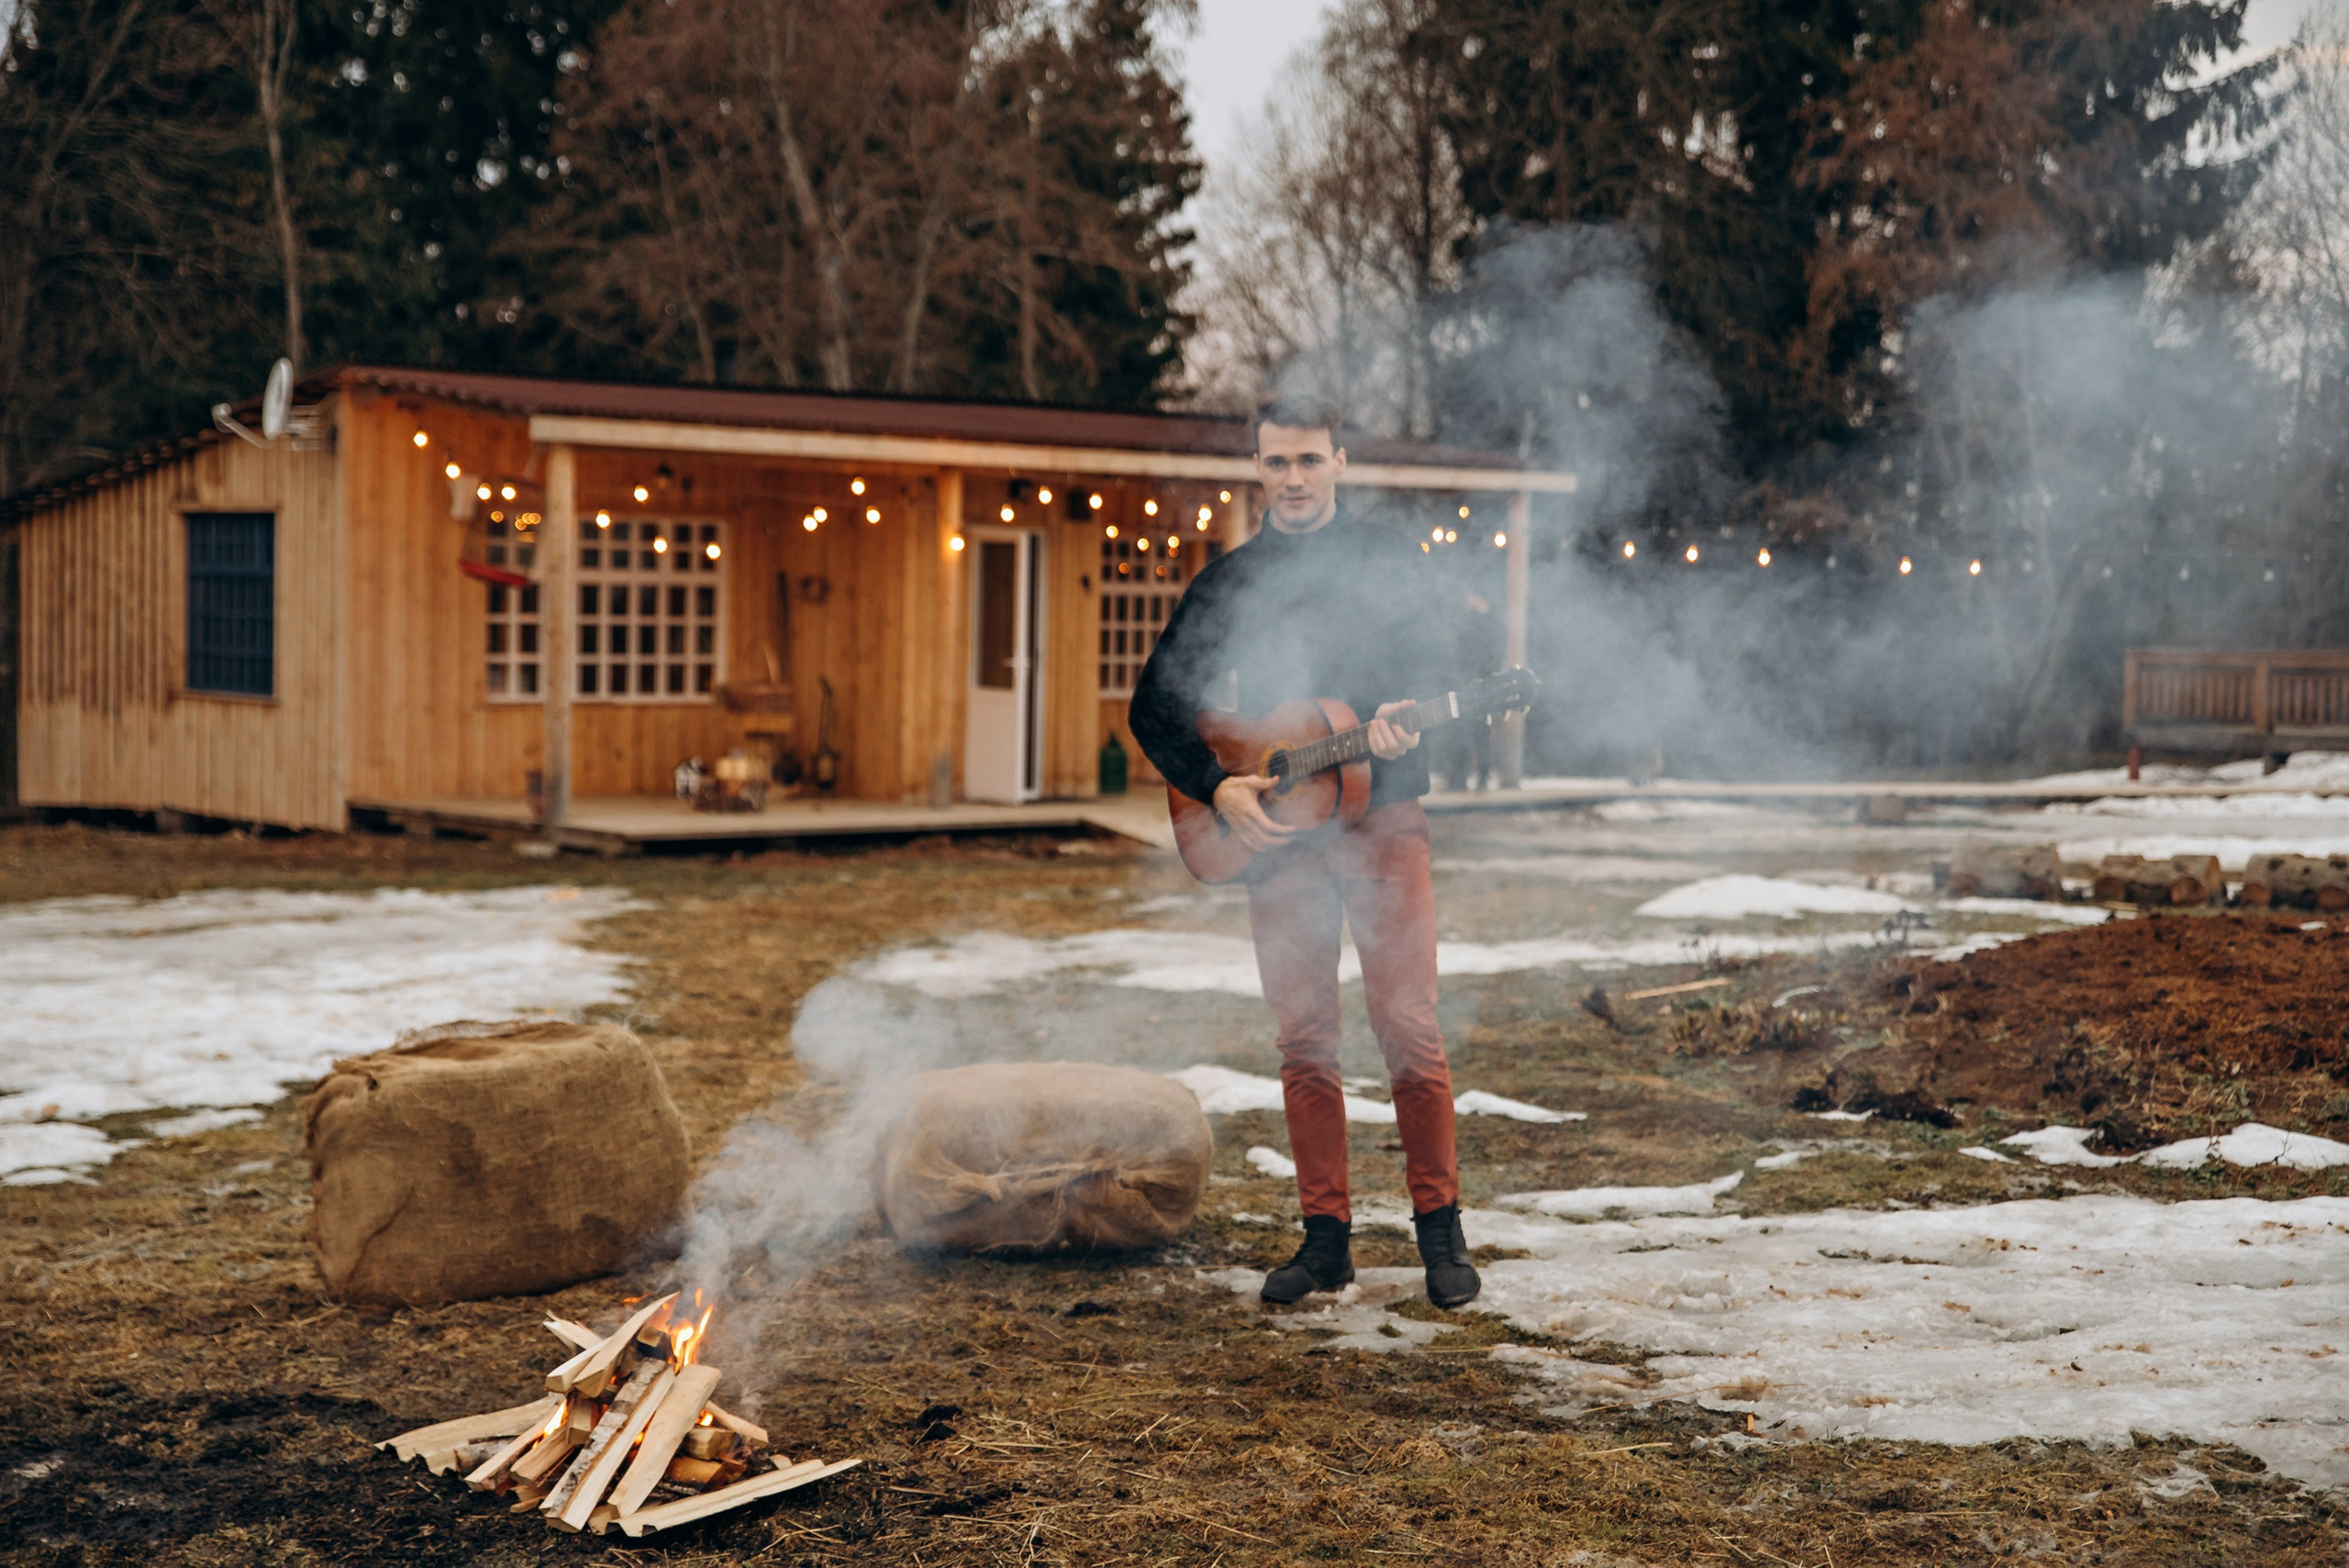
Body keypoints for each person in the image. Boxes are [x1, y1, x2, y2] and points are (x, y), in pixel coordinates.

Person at [1128, 396, 1479, 1310]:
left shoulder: (1390, 565)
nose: (1292, 478)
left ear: (1340, 461)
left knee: (1407, 1027)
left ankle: (1439, 1230)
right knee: (1304, 1042)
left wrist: (1405, 723)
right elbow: (1153, 705)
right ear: (1255, 467)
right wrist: (1218, 784)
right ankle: (1325, 1240)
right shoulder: (1227, 582)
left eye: (1308, 460)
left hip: (1382, 823)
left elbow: (1437, 670)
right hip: (1280, 841)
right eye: (1276, 462)